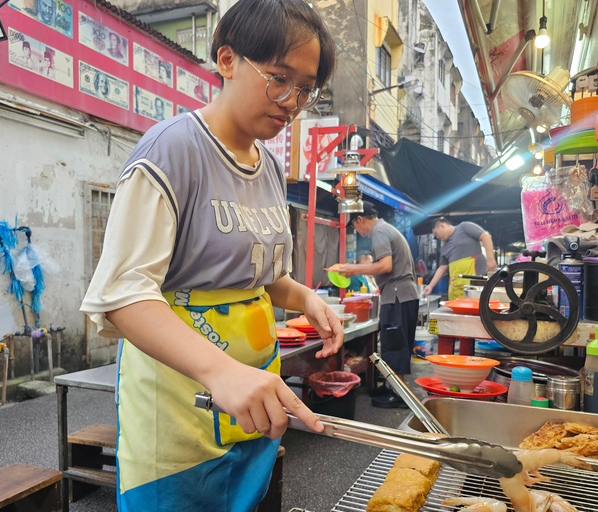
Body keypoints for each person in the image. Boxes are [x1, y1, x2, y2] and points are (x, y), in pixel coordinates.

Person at [80, 1, 339, 510]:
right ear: (226, 59)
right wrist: (221, 373)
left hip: (249, 399)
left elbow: (260, 276)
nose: (291, 101)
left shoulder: (266, 165)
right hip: (181, 403)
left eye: (305, 90)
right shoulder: (170, 151)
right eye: (279, 79)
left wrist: (305, 296)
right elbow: (122, 293)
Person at [332, 201, 419, 409]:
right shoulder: (385, 229)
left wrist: (352, 269)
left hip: (397, 295)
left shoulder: (379, 232)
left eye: (354, 225)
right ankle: (392, 387)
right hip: (401, 294)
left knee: (396, 344)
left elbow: (385, 265)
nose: (356, 230)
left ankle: (399, 394)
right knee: (394, 343)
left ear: (360, 219)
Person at [422, 217, 498, 300]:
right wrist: (430, 286)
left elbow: (486, 237)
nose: (437, 237)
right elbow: (442, 268)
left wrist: (490, 259)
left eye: (436, 233)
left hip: (475, 289)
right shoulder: (444, 248)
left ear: (442, 225)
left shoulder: (464, 227)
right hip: (456, 292)